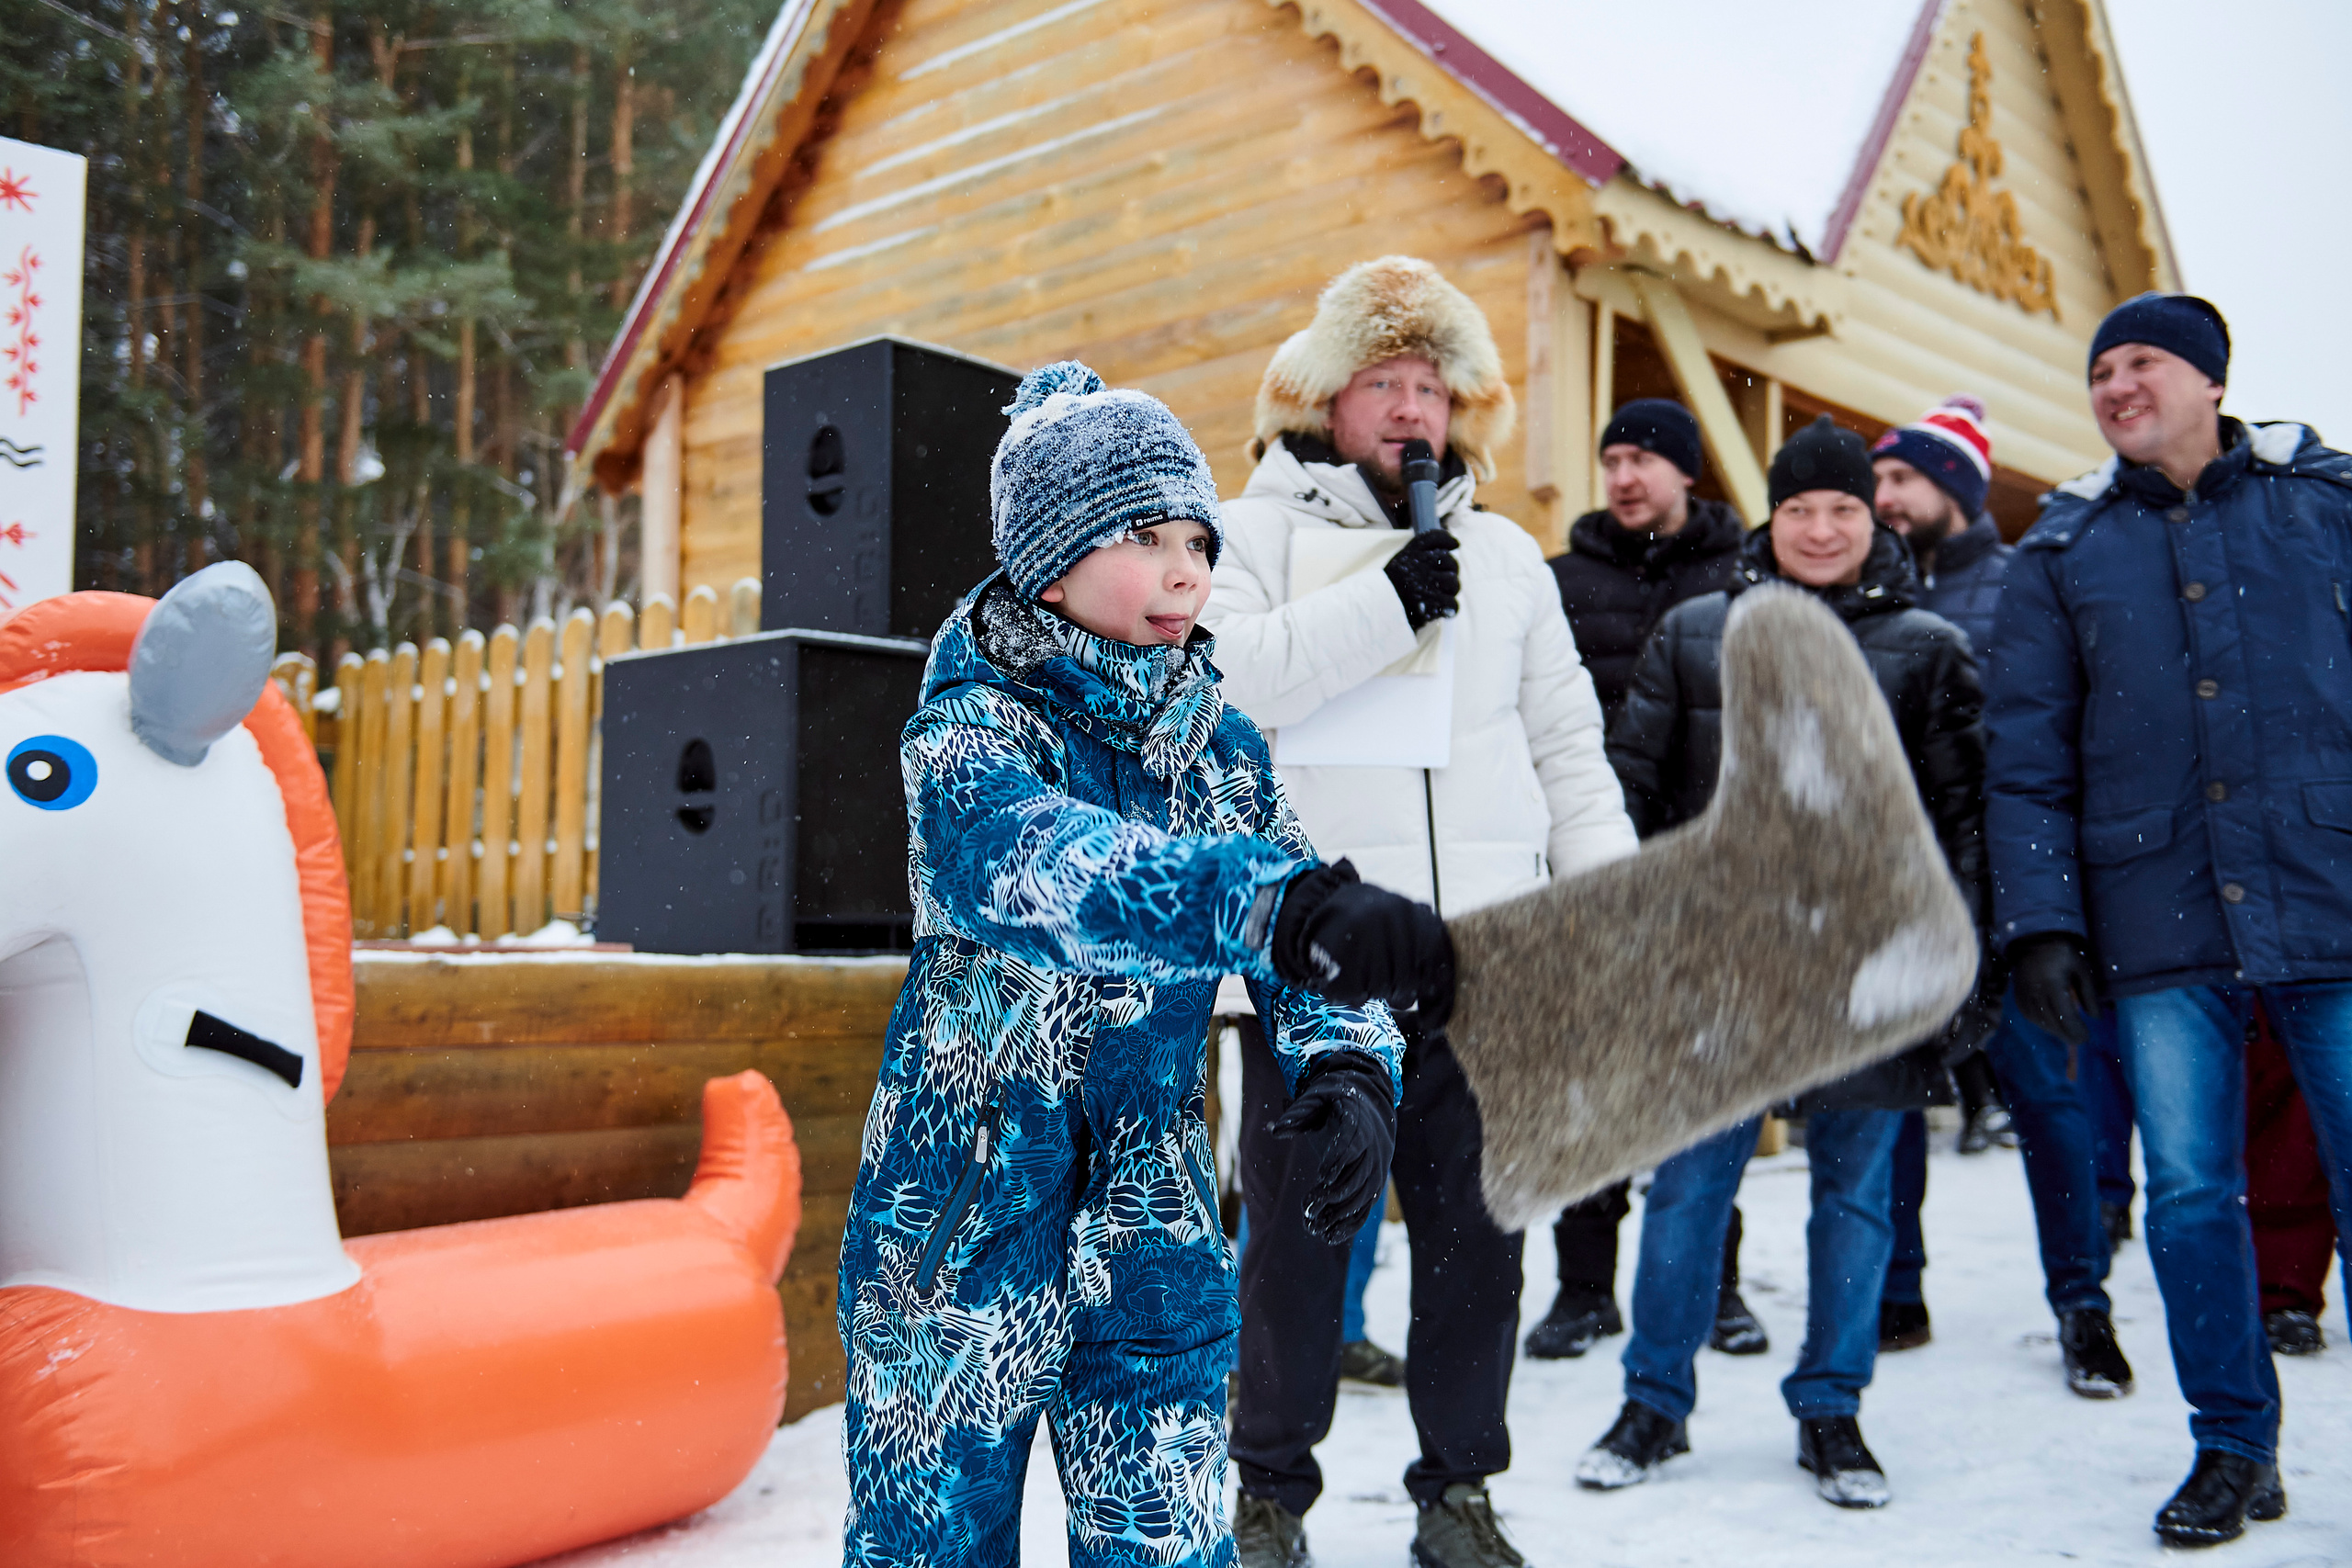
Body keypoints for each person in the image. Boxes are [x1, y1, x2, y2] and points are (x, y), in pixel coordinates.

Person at [839, 362, 1454, 1568]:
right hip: (956, 1229)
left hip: (1148, 1225)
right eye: (1144, 536)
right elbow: (1048, 872)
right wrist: (1269, 907)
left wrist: (1353, 1061)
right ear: (1048, 557)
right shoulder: (972, 728)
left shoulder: (1214, 742)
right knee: (928, 1549)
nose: (1186, 570)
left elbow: (1296, 921)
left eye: (1198, 540)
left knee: (1169, 1546)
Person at [1204, 255, 1639, 1568]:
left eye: (1432, 387)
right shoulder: (1251, 534)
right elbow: (1227, 693)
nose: (1412, 409)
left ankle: (1458, 1492)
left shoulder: (1508, 556)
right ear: (1327, 398)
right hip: (1316, 970)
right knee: (1292, 1253)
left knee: (1475, 1249)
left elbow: (1568, 745)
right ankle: (1270, 1494)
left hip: (1484, 972)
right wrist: (1389, 598)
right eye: (1384, 383)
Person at [1985, 291, 2352, 1549]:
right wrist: (2040, 920)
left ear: (2209, 378)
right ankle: (2233, 1445)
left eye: (2142, 361)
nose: (2116, 385)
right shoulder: (2063, 549)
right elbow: (2025, 753)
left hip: (2334, 894)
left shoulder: (2329, 505)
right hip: (2156, 912)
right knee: (2192, 1192)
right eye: (2101, 370)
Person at [1575, 415, 1984, 1511]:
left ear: (1872, 518)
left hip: (1868, 972)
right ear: (1772, 515)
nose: (1818, 528)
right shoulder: (1697, 629)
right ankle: (1652, 1400)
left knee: (1853, 1198)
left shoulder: (1928, 646)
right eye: (1798, 508)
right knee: (1689, 1185)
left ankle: (1832, 1410)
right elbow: (1630, 794)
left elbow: (1959, 826)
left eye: (1841, 509)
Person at [1539, 397, 1763, 1363]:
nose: (1624, 477)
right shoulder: (1560, 580)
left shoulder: (1743, 575)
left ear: (1686, 471)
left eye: (1643, 460)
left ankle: (1712, 1286)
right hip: (1591, 864)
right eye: (1612, 459)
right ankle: (1584, 1289)